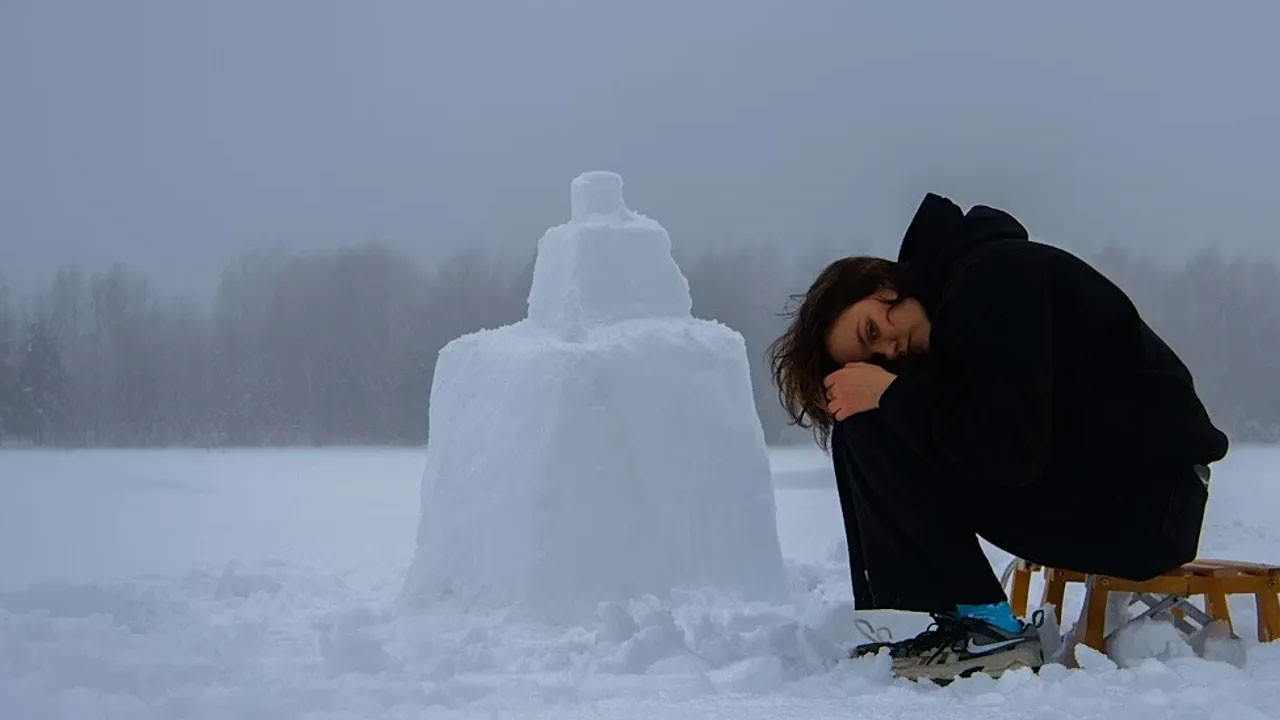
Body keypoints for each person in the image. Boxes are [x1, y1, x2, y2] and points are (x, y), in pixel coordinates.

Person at [767, 193, 1228, 682]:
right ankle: (920, 623)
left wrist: (894, 397)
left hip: (1150, 506)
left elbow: (1007, 451)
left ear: (884, 287)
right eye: (875, 356)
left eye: (872, 330)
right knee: (866, 419)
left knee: (877, 420)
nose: (889, 348)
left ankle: (977, 629)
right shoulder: (958, 302)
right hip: (1113, 487)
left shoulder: (993, 280)